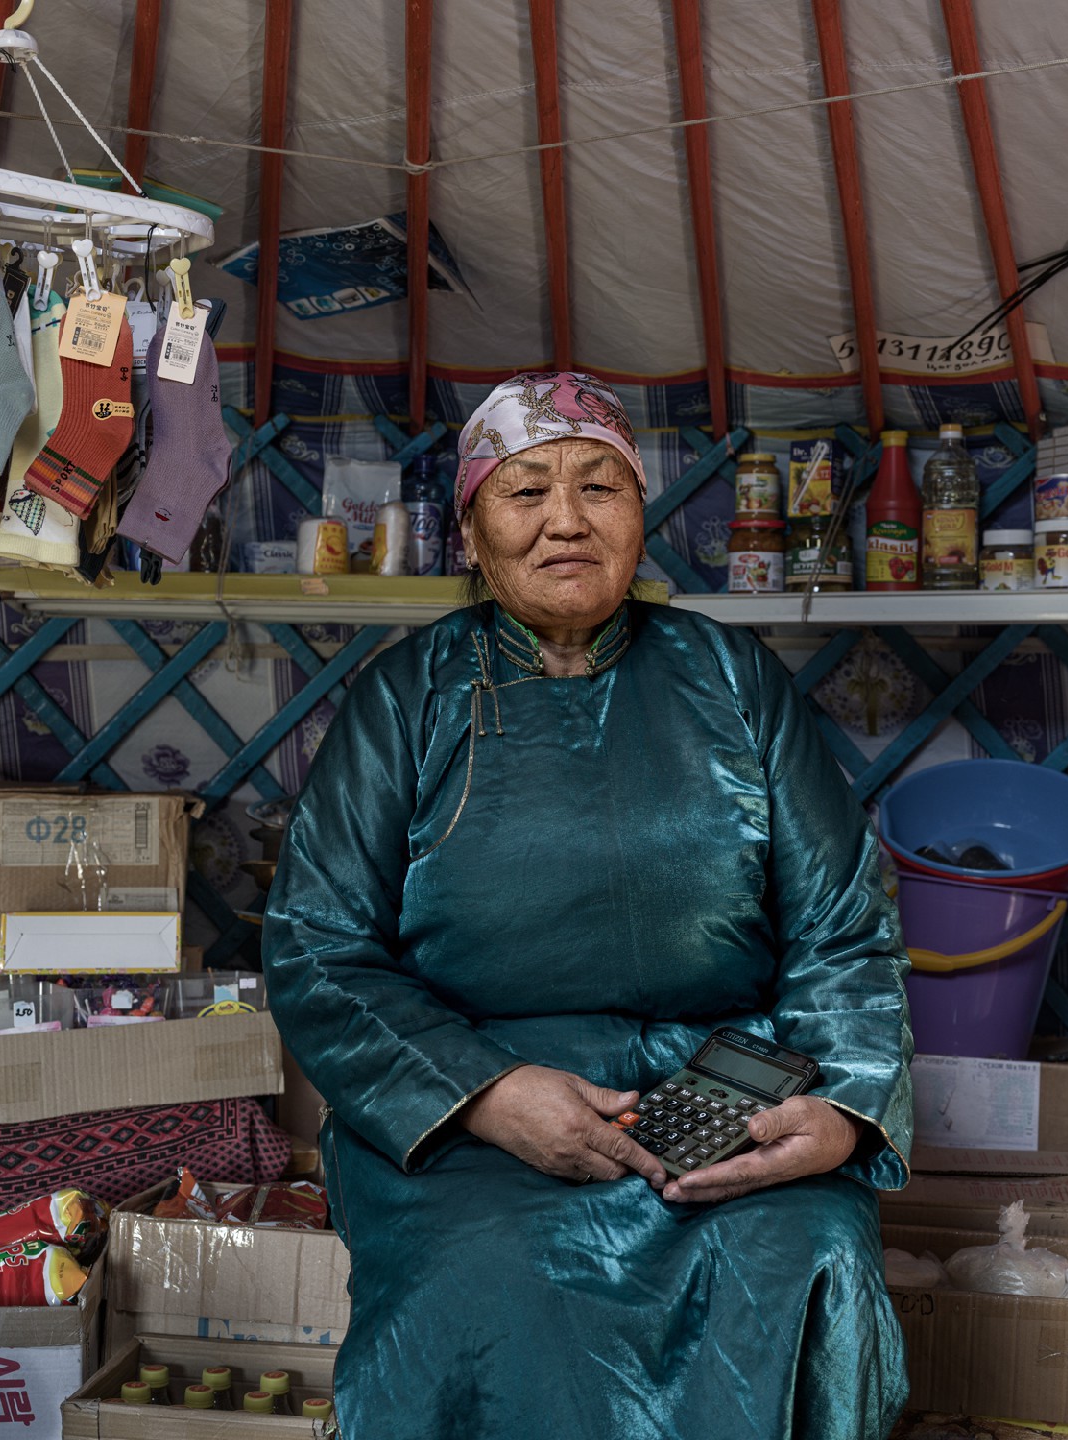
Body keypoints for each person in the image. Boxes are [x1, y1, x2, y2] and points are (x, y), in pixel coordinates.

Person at [264, 371, 913, 1439]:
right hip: (477, 1119)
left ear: (640, 516)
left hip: (724, 1101)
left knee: (810, 1254)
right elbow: (317, 948)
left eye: (598, 487)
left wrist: (842, 1108)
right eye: (527, 492)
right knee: (492, 1282)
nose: (566, 520)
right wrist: (486, 1093)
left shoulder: (733, 679)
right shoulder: (405, 698)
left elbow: (842, 928)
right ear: (471, 532)